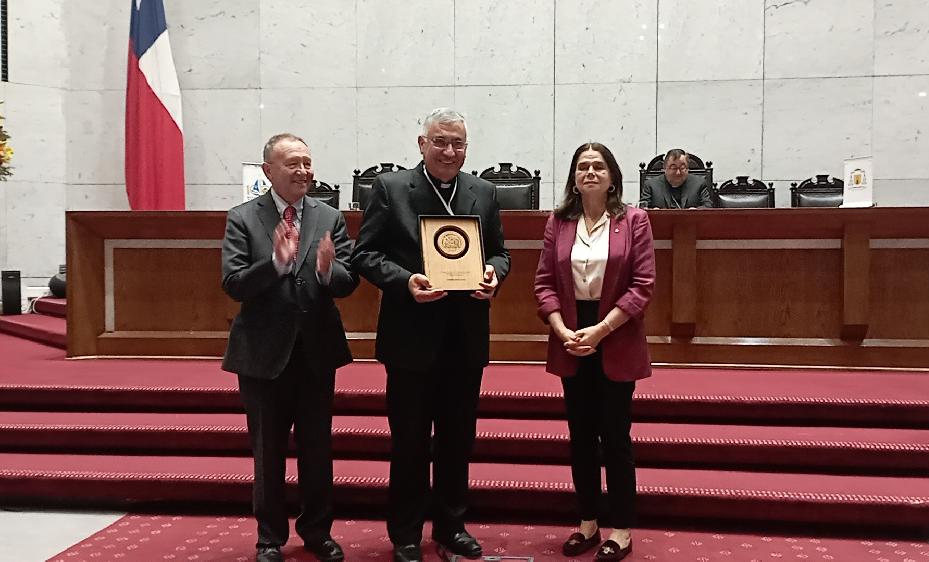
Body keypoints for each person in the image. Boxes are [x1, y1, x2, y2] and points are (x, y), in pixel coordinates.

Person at [350, 108, 510, 562]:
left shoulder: (484, 190)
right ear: (421, 144)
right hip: (410, 340)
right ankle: (405, 533)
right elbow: (365, 254)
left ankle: (452, 526)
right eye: (440, 141)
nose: (449, 151)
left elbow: (500, 254)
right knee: (410, 442)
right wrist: (405, 281)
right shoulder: (392, 188)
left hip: (465, 338)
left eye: (458, 143)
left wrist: (492, 276)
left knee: (458, 440)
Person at [221, 133, 358, 562]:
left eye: (307, 163)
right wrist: (276, 264)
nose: (303, 172)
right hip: (263, 354)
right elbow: (233, 283)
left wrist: (326, 270)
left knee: (318, 450)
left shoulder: (329, 216)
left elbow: (349, 280)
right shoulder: (242, 218)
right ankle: (269, 539)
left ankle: (317, 530)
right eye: (292, 164)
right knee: (268, 452)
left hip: (316, 351)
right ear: (269, 171)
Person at [534, 142, 655, 561]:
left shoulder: (634, 220)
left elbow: (642, 287)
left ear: (612, 177)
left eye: (598, 166)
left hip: (615, 335)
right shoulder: (558, 222)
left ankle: (620, 529)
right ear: (573, 177)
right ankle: (587, 523)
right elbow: (544, 283)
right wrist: (563, 329)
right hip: (571, 337)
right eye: (582, 166)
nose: (589, 172)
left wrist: (600, 331)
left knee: (615, 438)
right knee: (580, 438)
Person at [639, 148, 715, 208]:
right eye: (673, 168)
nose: (678, 172)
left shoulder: (699, 184)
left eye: (682, 168)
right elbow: (643, 208)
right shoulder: (651, 185)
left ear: (688, 168)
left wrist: (696, 211)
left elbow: (708, 206)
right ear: (664, 168)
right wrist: (653, 211)